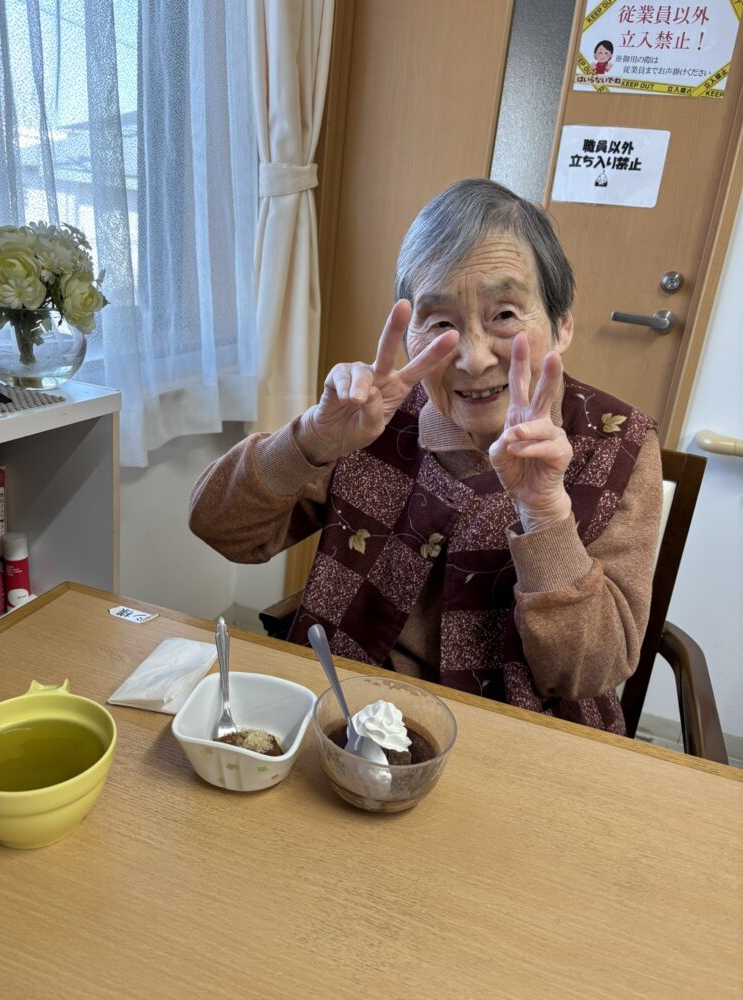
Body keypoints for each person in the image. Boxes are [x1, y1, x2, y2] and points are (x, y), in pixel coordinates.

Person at [189, 179, 662, 734]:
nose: (473, 357)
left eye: (505, 314)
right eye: (440, 322)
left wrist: (546, 515)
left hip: (519, 736)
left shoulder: (616, 445)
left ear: (562, 325)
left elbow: (591, 672)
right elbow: (222, 530)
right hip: (344, 709)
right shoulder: (372, 416)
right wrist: (311, 440)